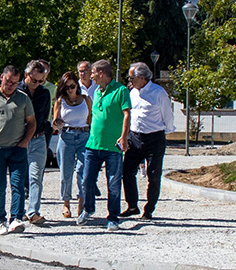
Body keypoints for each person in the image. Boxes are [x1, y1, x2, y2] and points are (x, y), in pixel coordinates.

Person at [0, 66, 36, 234]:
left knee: (17, 185)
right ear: (2, 77)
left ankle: (16, 219)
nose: (11, 85)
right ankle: (0, 220)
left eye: (15, 83)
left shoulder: (23, 99)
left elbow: (32, 122)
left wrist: (25, 142)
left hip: (17, 149)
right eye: (9, 81)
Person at [78, 60, 133, 229]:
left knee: (114, 183)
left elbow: (126, 115)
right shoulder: (97, 92)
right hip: (93, 144)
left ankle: (113, 217)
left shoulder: (121, 91)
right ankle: (89, 208)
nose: (91, 76)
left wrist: (124, 137)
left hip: (112, 147)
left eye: (93, 73)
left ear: (101, 73)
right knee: (87, 180)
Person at [122, 62, 174, 220]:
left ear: (142, 77)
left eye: (132, 77)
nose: (129, 80)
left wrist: (168, 130)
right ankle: (132, 205)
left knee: (153, 174)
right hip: (134, 137)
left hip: (154, 138)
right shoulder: (131, 92)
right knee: (127, 171)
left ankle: (149, 209)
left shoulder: (158, 92)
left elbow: (168, 114)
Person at [52, 71, 91, 218]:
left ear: (77, 85)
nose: (69, 90)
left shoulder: (86, 99)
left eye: (72, 86)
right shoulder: (60, 101)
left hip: (84, 136)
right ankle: (66, 203)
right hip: (66, 136)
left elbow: (91, 118)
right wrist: (56, 123)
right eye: (66, 87)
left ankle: (82, 201)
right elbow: (55, 122)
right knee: (65, 173)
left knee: (83, 171)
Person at [21, 60, 54, 226]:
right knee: (18, 177)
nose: (37, 84)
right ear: (26, 75)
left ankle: (33, 211)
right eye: (34, 80)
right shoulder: (17, 92)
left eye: (41, 81)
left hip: (39, 139)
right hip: (19, 140)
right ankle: (19, 212)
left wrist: (44, 139)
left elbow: (45, 119)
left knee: (36, 177)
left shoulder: (44, 93)